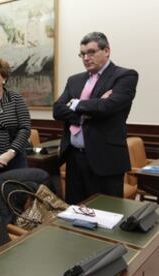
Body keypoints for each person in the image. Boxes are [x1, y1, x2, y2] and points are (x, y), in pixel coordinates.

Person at [53, 32, 138, 204]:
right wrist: (91, 108)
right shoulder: (74, 80)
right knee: (74, 212)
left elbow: (107, 107)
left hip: (105, 159)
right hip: (74, 158)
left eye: (91, 52)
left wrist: (75, 104)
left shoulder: (125, 76)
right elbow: (57, 110)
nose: (86, 58)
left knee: (107, 214)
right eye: (82, 54)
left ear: (106, 51)